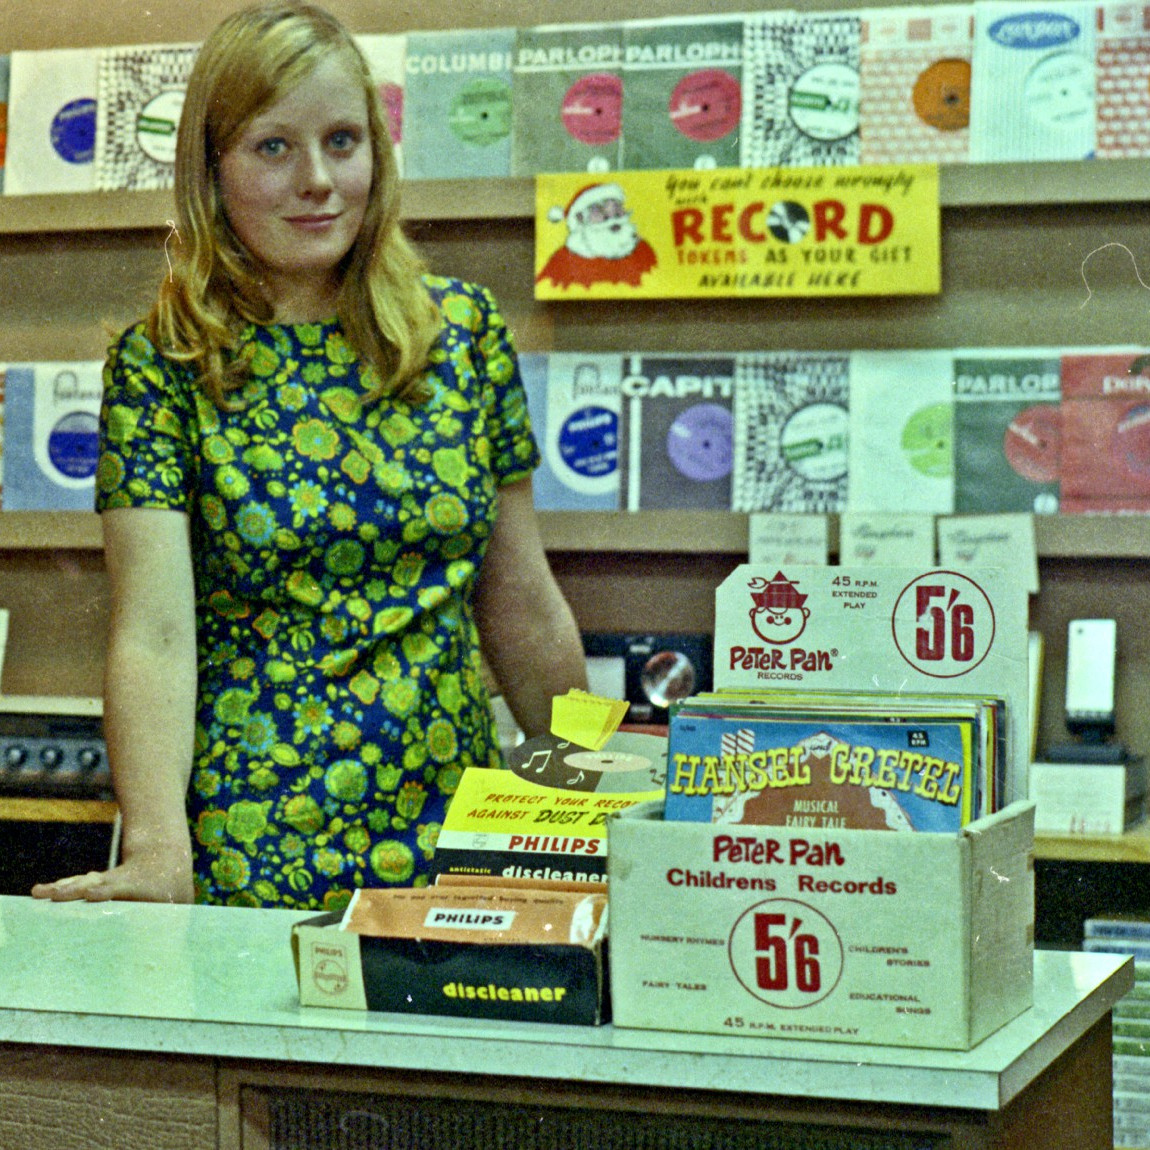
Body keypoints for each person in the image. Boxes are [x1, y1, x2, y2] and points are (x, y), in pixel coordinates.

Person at [31, 0, 588, 910]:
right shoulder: (164, 365)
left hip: (460, 838)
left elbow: (522, 601)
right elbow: (155, 635)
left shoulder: (464, 337)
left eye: (343, 140)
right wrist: (161, 852)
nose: (319, 180)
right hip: (257, 844)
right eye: (273, 148)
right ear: (211, 171)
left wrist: (587, 796)